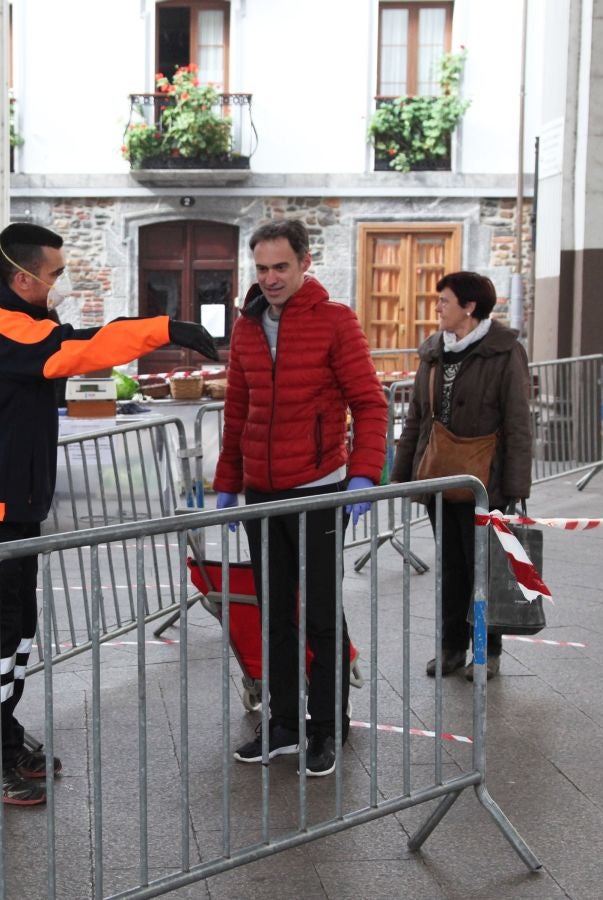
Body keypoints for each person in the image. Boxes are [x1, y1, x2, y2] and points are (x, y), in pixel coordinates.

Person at [0, 222, 218, 806]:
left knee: (16, 631)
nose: (60, 283)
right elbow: (82, 349)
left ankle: (3, 735)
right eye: (55, 274)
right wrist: (165, 328)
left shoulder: (21, 324)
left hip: (12, 501)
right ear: (22, 277)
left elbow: (75, 337)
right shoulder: (0, 329)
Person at [213, 219, 388, 777]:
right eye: (261, 268)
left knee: (319, 615)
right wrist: (227, 481)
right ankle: (285, 723)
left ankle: (328, 725)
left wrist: (363, 474)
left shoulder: (335, 323)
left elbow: (370, 403)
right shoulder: (246, 328)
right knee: (274, 615)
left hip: (317, 491)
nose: (270, 278)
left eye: (280, 266)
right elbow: (237, 412)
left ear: (306, 262)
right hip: (263, 495)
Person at [390, 271, 532, 681]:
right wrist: (402, 474)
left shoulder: (505, 352)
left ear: (469, 307)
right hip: (440, 477)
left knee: (483, 570)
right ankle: (451, 647)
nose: (437, 308)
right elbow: (417, 416)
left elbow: (519, 424)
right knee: (450, 568)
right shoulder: (433, 353)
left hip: (488, 482)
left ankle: (487, 652)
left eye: (445, 301)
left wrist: (516, 488)